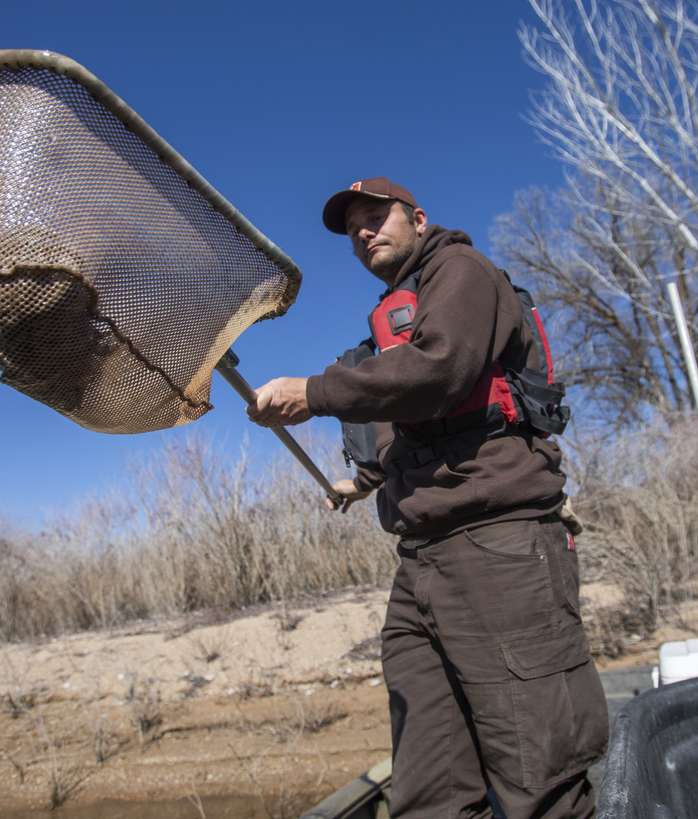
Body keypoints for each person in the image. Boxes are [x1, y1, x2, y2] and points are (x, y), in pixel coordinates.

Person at [247, 178, 608, 819]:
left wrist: (314, 392)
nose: (364, 232)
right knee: (427, 780)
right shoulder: (392, 317)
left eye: (376, 217)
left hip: (499, 546)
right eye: (353, 227)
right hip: (420, 563)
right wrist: (361, 483)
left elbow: (438, 372)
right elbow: (409, 424)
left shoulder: (460, 270)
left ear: (417, 218)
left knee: (538, 772)